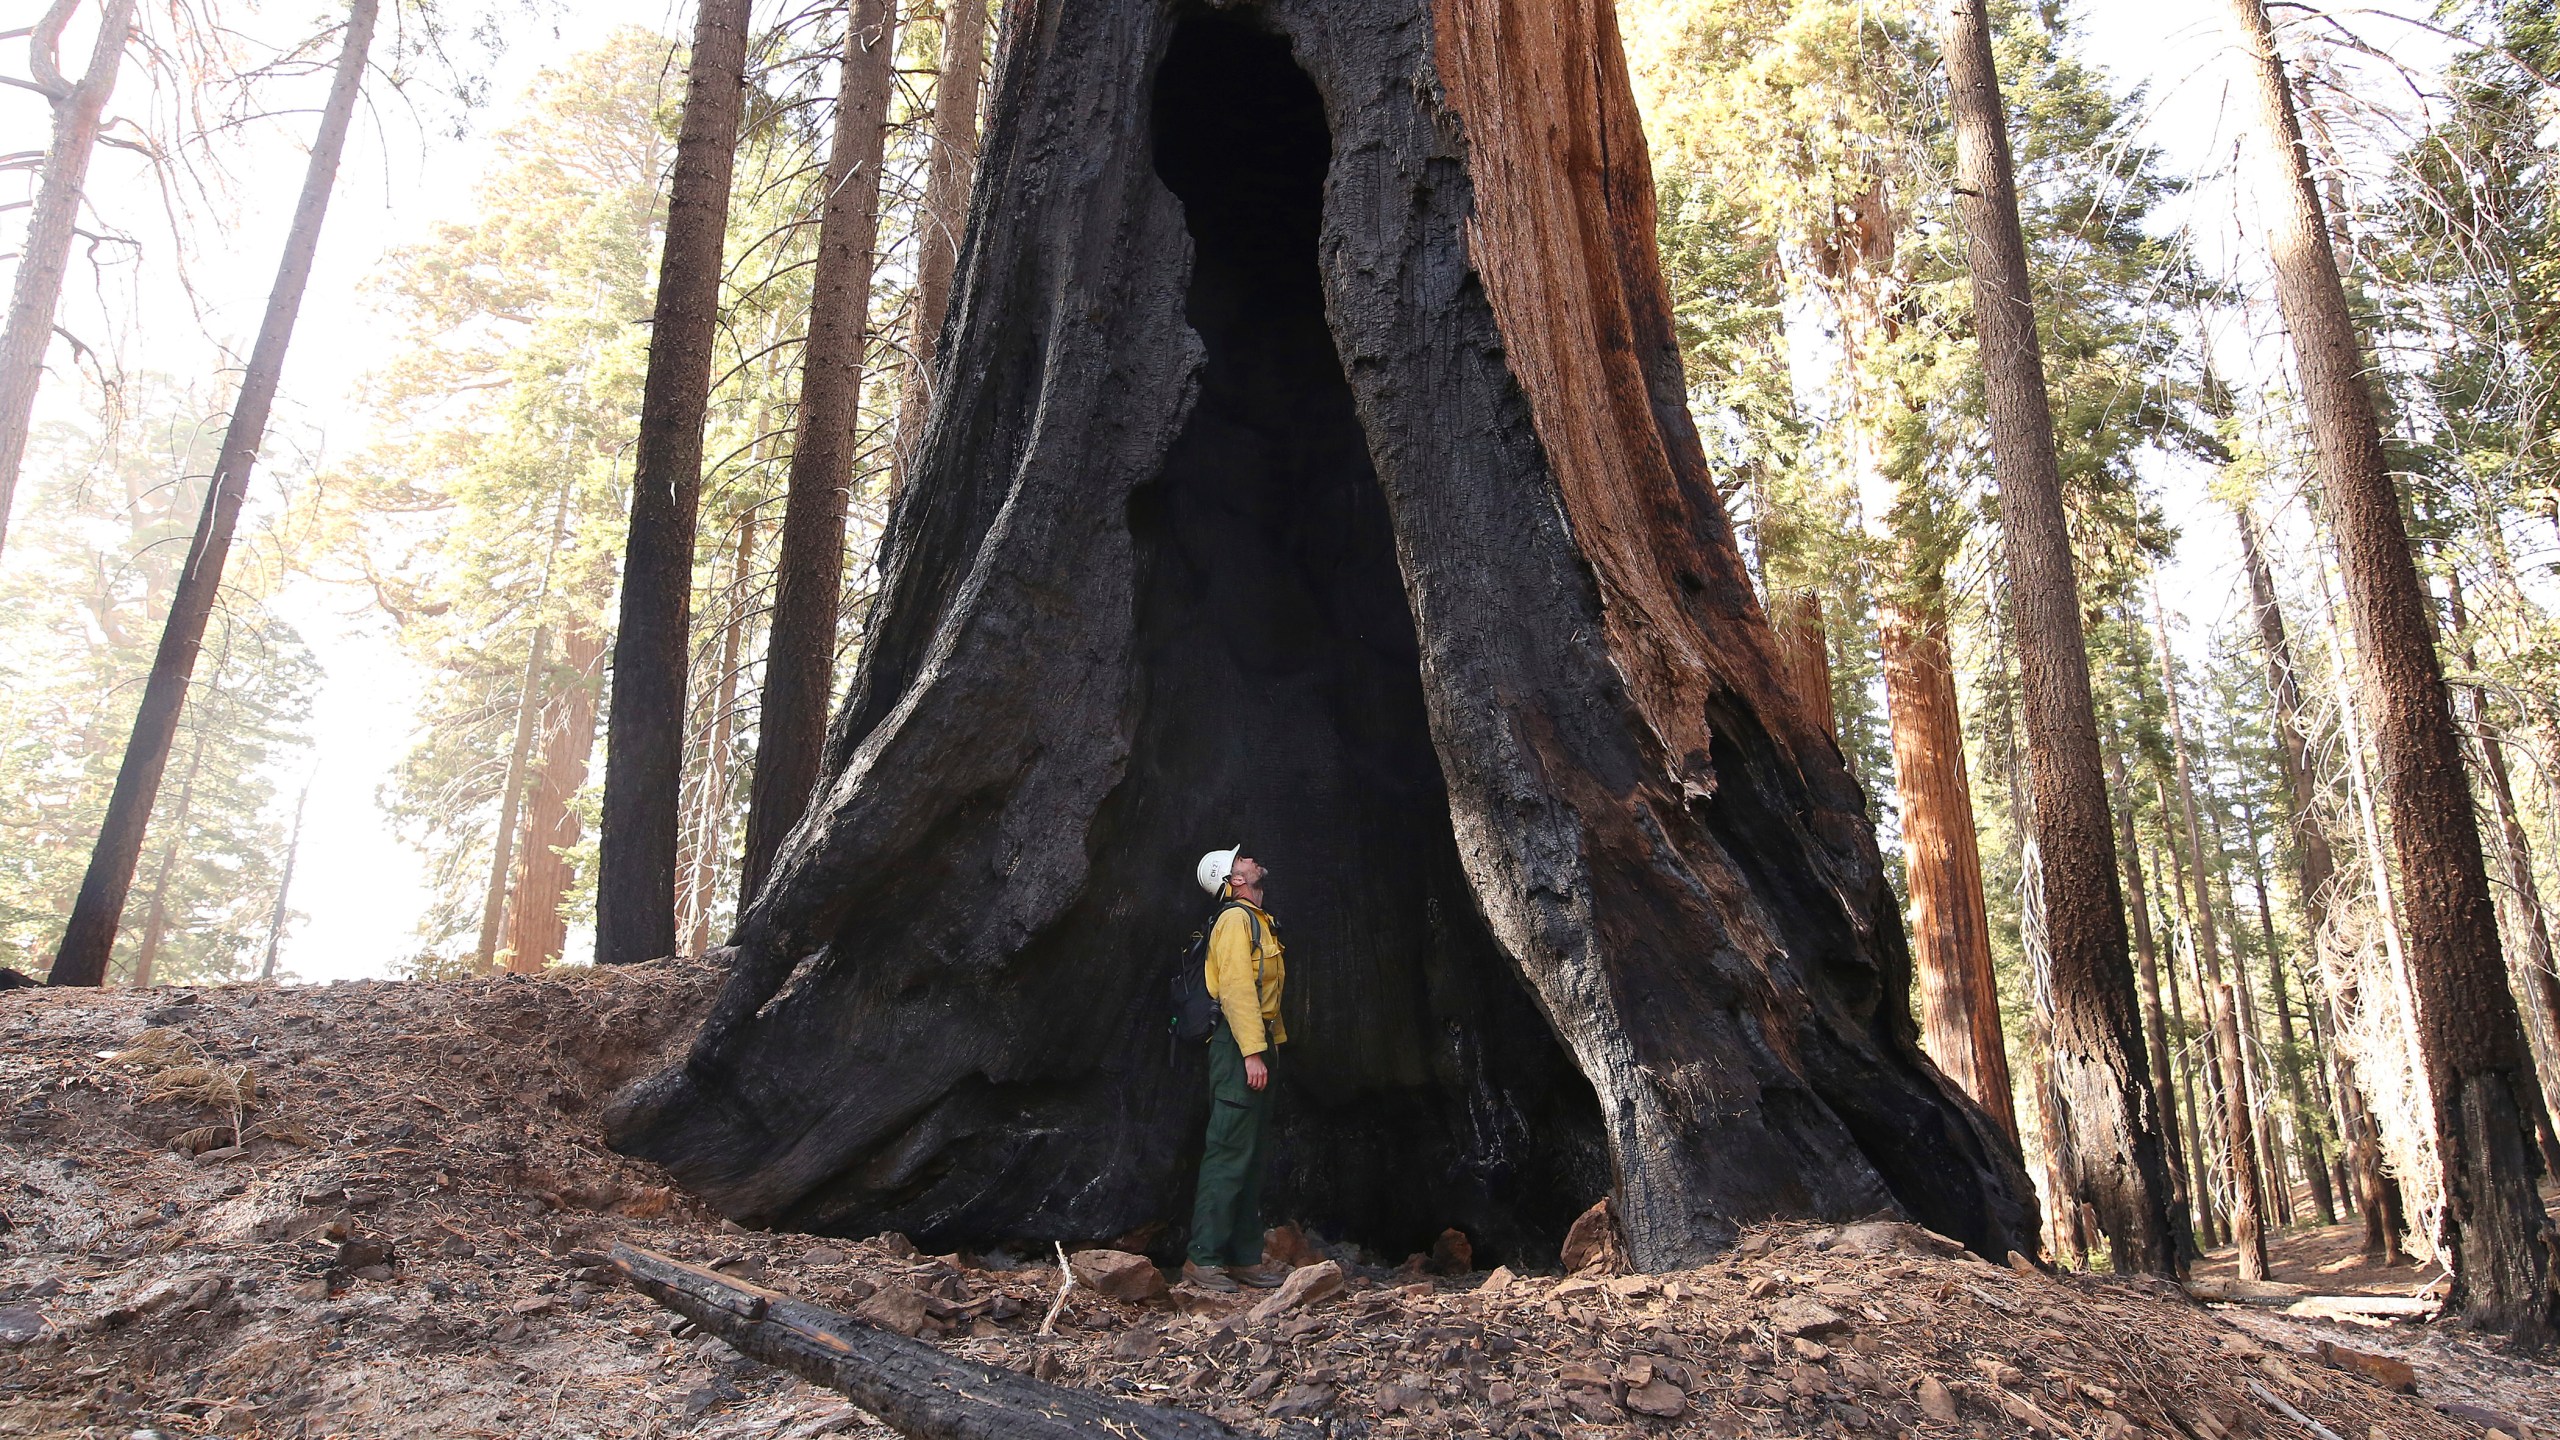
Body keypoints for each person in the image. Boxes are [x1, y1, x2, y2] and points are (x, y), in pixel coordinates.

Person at [1183, 844, 1289, 1292]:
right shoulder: (1233, 921)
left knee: (1252, 1155)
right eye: (1241, 861)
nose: (1250, 861)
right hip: (1237, 1047)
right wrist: (1251, 1053)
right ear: (1235, 879)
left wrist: (1271, 1047)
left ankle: (1245, 1257)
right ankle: (1202, 1260)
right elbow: (1236, 990)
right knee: (1228, 1150)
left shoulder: (1258, 920)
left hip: (1258, 1044)